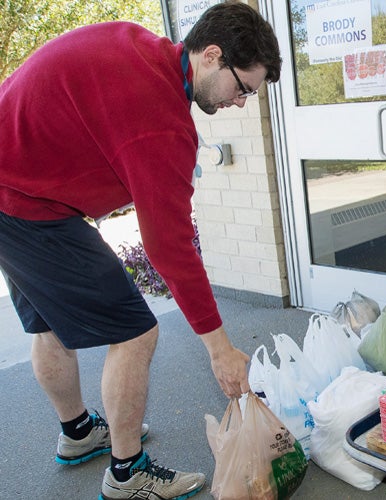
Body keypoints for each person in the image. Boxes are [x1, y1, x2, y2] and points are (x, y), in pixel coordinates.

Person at [0, 1, 281, 498]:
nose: (242, 102)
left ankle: (79, 434)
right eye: (243, 87)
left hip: (18, 182)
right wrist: (219, 349)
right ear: (211, 54)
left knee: (47, 321)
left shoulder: (143, 51)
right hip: (24, 202)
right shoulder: (161, 120)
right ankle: (128, 474)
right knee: (136, 332)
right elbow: (168, 246)